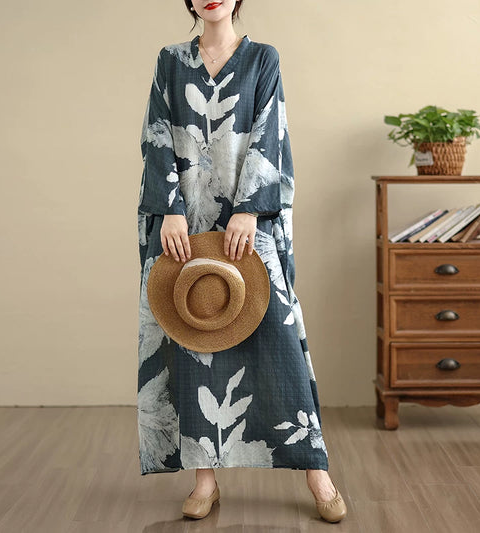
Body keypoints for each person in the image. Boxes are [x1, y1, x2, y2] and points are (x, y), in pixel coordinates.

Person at [137, 0, 347, 523]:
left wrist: (250, 209)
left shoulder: (262, 59)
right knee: (191, 336)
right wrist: (169, 210)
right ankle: (204, 481)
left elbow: (271, 133)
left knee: (280, 339)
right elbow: (157, 135)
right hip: (183, 226)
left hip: (252, 223)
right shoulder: (170, 61)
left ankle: (317, 473)